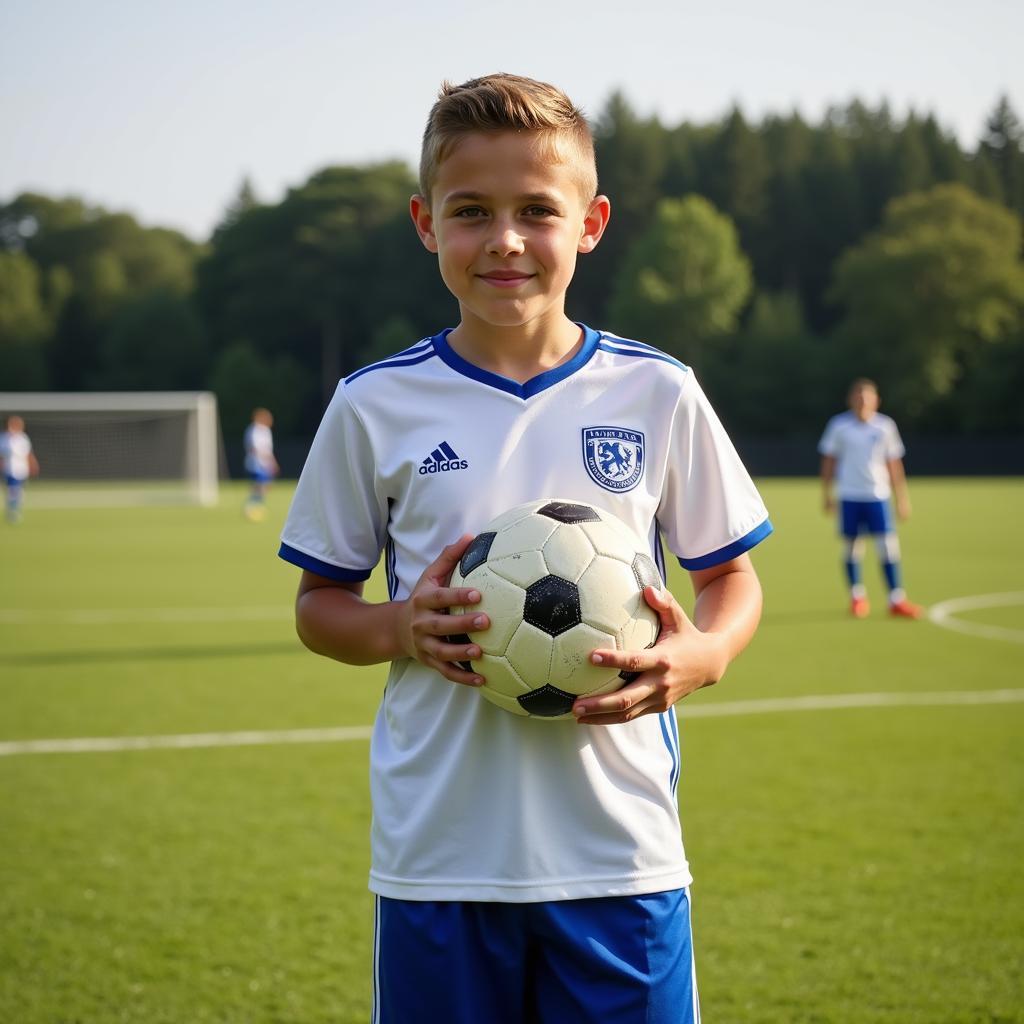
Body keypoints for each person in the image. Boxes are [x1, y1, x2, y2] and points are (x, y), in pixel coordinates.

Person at [278, 74, 772, 1024]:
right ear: (426, 223)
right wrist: (399, 627)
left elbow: (731, 577)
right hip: (441, 859)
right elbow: (319, 608)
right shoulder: (373, 405)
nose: (503, 239)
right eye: (471, 212)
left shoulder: (657, 392)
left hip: (620, 855)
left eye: (536, 211)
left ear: (590, 223)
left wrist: (703, 654)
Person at [819, 378, 923, 619]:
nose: (862, 401)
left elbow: (894, 464)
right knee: (852, 547)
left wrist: (902, 498)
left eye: (867, 397)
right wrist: (826, 494)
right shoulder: (839, 426)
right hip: (850, 495)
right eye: (858, 396)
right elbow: (829, 461)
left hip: (878, 495)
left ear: (876, 400)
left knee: (887, 546)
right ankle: (857, 597)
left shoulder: (885, 427)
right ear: (851, 399)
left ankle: (896, 599)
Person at [0, 415, 39, 524]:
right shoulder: (4, 438)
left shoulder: (23, 438)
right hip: (9, 469)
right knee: (12, 490)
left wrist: (33, 464)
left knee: (17, 491)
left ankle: (14, 510)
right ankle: (13, 510)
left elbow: (28, 454)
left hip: (21, 469)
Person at [243, 407, 279, 521]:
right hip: (257, 463)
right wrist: (268, 461)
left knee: (263, 485)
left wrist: (272, 461)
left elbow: (268, 449)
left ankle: (255, 504)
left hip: (265, 462)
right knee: (260, 484)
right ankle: (253, 505)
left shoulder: (265, 430)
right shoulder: (254, 430)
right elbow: (256, 448)